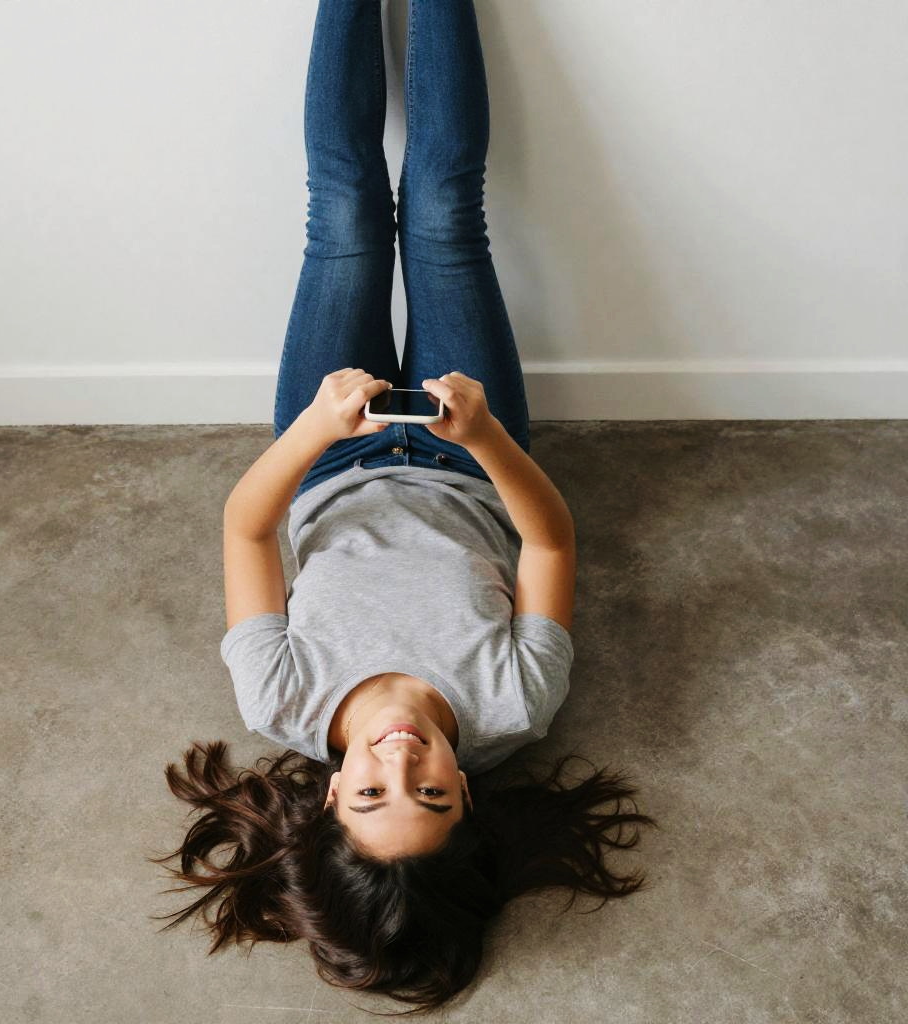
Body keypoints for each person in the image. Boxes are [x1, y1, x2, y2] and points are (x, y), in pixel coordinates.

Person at [149, 0, 656, 1011]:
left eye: (373, 793)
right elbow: (551, 542)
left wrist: (315, 429)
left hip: (327, 454)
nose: (401, 759)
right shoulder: (513, 704)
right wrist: (483, 437)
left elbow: (246, 526)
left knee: (343, 209)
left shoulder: (282, 699)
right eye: (429, 793)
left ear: (329, 797)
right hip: (470, 455)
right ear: (467, 797)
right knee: (440, 206)